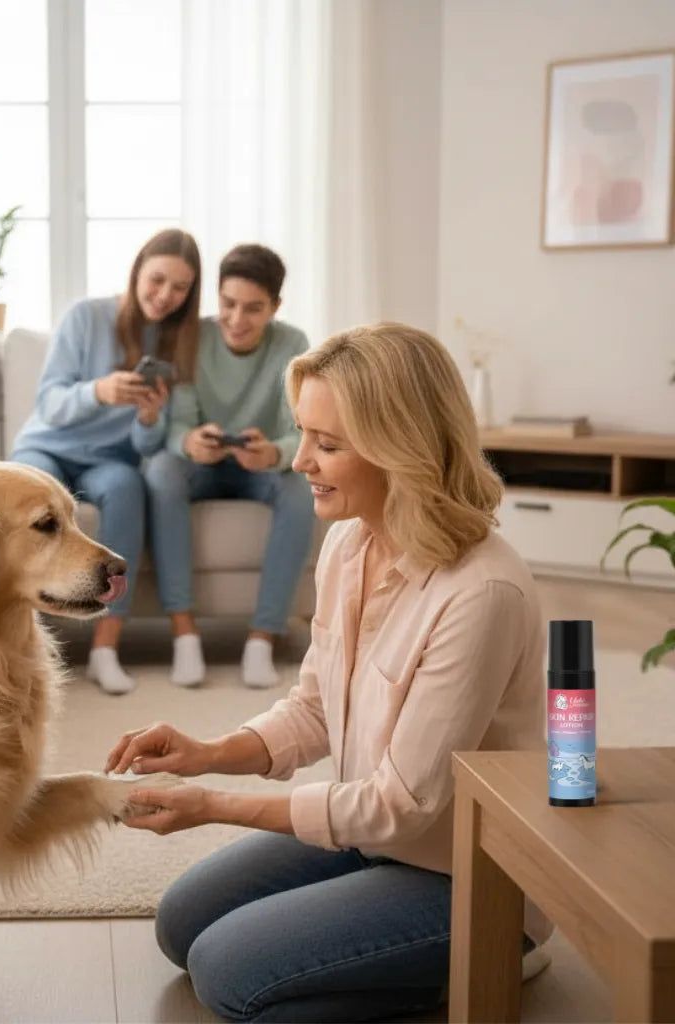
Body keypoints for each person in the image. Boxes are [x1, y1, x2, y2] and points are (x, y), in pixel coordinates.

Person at [105, 322, 548, 1022]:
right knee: (181, 923)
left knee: (226, 972)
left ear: (400, 448)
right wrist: (208, 753)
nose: (299, 460)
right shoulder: (347, 544)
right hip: (373, 841)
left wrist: (214, 805)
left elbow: (401, 805)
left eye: (328, 444)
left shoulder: (481, 592)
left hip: (466, 874)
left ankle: (484, 962)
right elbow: (314, 707)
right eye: (303, 434)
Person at [11, 229, 201, 695]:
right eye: (157, 279)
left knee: (127, 488)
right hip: (49, 445)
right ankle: (19, 646)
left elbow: (147, 445)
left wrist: (149, 417)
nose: (165, 295)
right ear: (137, 272)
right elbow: (50, 403)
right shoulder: (85, 316)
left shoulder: (174, 343)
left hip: (109, 461)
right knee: (30, 504)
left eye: (180, 288)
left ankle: (104, 648)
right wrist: (99, 391)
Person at [143, 245, 315, 689]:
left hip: (259, 467)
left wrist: (273, 453)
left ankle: (263, 638)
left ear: (275, 307)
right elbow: (178, 423)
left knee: (299, 490)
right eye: (228, 304)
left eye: (253, 309)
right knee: (161, 471)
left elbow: (300, 430)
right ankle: (184, 634)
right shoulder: (191, 337)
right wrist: (190, 442)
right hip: (203, 466)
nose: (237, 319)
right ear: (216, 296)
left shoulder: (293, 345)